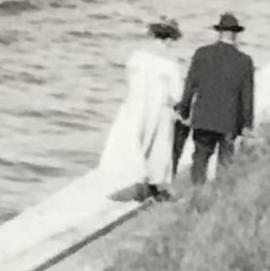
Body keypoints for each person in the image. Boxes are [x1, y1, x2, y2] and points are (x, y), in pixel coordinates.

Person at [99, 21, 190, 199]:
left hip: (136, 104)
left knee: (135, 140)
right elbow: (177, 92)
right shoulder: (169, 62)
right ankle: (153, 184)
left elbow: (129, 79)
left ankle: (137, 179)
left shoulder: (137, 56)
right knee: (158, 145)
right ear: (169, 39)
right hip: (158, 106)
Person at [178, 13, 255, 182]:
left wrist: (184, 110)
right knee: (226, 162)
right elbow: (247, 96)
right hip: (230, 120)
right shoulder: (244, 61)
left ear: (219, 32)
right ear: (235, 34)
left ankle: (197, 192)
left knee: (200, 158)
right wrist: (247, 125)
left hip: (204, 118)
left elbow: (190, 85)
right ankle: (220, 192)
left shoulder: (202, 54)